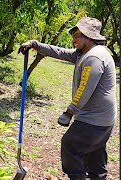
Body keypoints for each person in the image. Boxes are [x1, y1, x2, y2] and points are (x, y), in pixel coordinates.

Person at [19, 17, 116, 180]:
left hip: (93, 120)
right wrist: (37, 45)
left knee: (70, 145)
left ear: (89, 36)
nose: (74, 39)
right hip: (102, 119)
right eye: (74, 35)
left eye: (78, 35)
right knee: (94, 156)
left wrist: (69, 112)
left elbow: (84, 90)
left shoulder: (94, 57)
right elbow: (61, 52)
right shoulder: (84, 53)